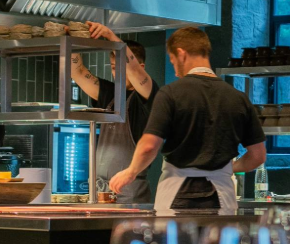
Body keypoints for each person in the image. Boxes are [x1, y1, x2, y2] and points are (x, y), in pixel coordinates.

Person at [107, 26, 266, 213]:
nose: (175, 71)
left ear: (182, 54)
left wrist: (130, 172)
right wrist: (229, 167)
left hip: (176, 197)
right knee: (215, 242)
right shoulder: (238, 98)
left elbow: (150, 145)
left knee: (177, 242)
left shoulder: (171, 94)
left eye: (173, 62)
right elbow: (258, 156)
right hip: (223, 201)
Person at [69, 22, 155, 202]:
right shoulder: (110, 93)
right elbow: (78, 73)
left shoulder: (148, 95)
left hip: (130, 192)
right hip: (101, 192)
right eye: (114, 67)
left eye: (122, 67)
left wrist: (111, 36)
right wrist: (72, 41)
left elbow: (134, 71)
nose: (117, 73)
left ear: (142, 67)